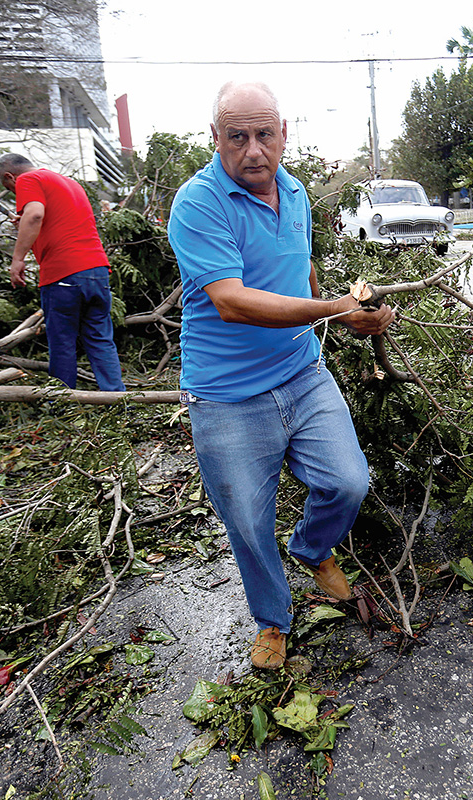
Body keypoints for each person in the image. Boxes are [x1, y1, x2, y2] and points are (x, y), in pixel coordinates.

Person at [167, 80, 394, 670]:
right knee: (246, 520)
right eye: (236, 137)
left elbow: (300, 267)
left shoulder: (294, 194)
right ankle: (273, 620)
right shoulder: (198, 204)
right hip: (226, 397)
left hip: (301, 372)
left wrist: (347, 318)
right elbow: (232, 301)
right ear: (215, 138)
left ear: (283, 135)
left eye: (264, 135)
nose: (253, 151)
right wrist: (334, 310)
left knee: (348, 483)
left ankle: (313, 548)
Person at [0, 153, 126, 392]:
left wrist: (17, 259)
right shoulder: (68, 183)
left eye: (10, 189)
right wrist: (24, 220)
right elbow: (58, 220)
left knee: (62, 342)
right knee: (100, 339)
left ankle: (62, 401)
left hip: (64, 273)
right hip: (96, 270)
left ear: (9, 176)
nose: (17, 195)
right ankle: (117, 399)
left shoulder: (28, 179)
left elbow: (35, 215)